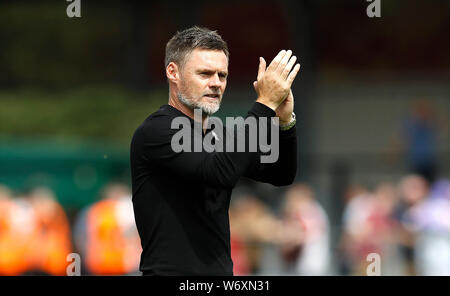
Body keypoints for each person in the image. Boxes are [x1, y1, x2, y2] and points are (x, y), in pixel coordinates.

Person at [130, 26, 300, 275]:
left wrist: (285, 123)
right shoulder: (156, 131)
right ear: (172, 72)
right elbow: (219, 172)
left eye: (222, 75)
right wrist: (264, 104)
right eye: (205, 73)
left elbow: (281, 174)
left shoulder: (219, 132)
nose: (216, 83)